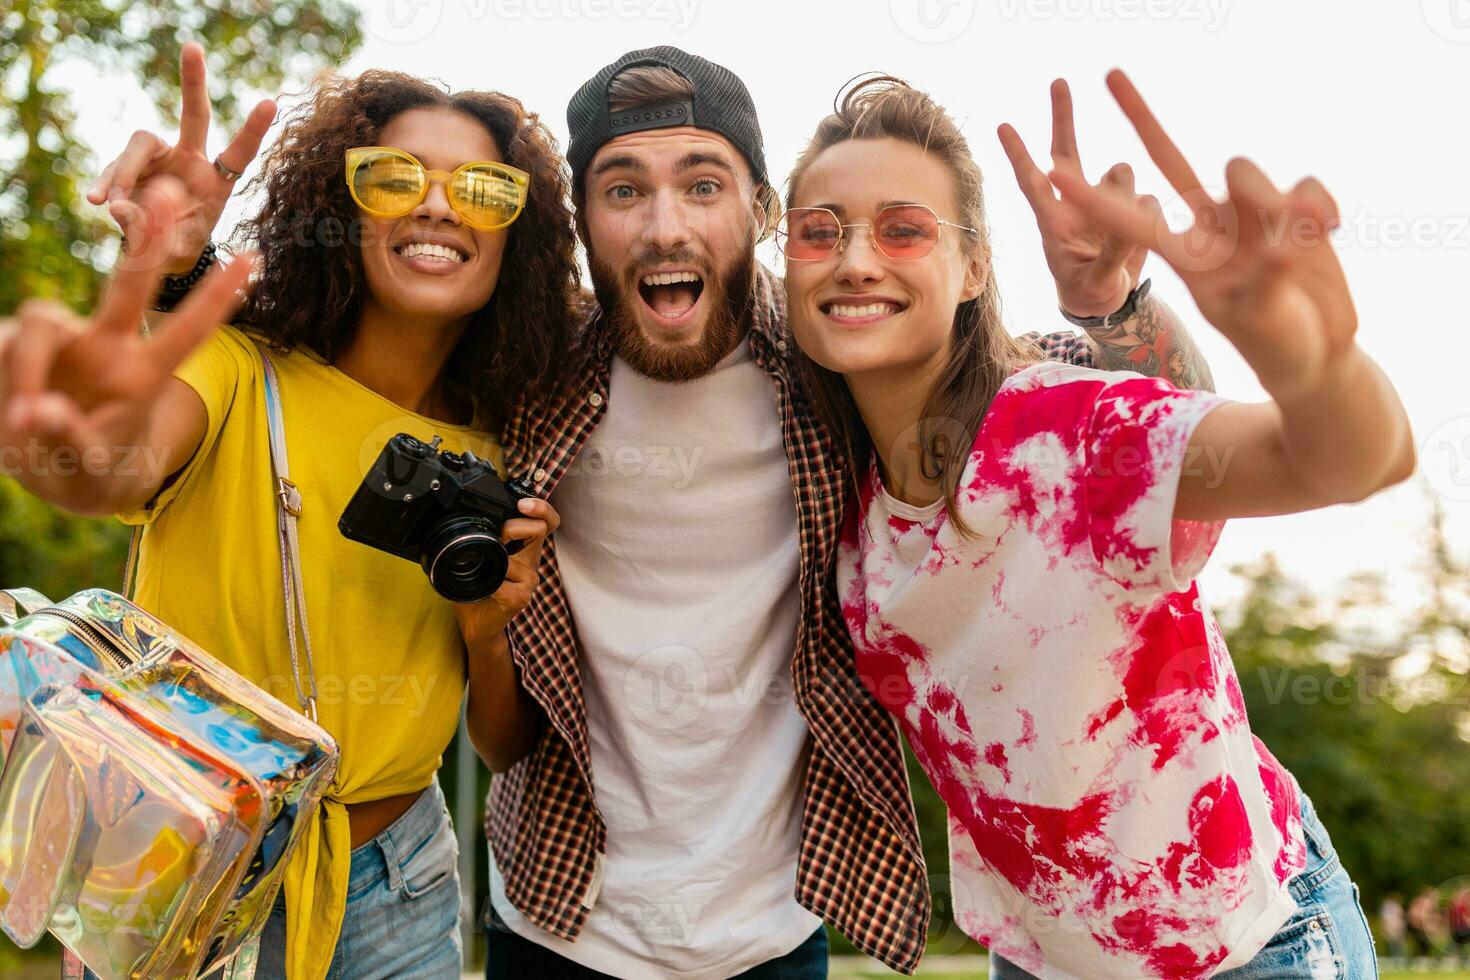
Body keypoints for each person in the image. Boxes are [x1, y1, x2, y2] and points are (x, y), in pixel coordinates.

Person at [479, 48, 1216, 978]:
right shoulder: (524, 377)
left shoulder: (844, 358)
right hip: (554, 910)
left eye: (703, 185)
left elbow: (1127, 413)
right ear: (583, 221)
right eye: (623, 191)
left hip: (774, 930)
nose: (665, 227)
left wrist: (1118, 305)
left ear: (760, 215)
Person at [782, 73, 1407, 978]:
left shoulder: (1065, 436)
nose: (855, 260)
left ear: (975, 268)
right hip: (1044, 958)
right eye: (819, 231)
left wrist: (1310, 360)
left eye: (903, 228)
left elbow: (1351, 460)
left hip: (1245, 944)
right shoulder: (843, 503)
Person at [0, 43, 575, 980]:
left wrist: (486, 632)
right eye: (393, 179)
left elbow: (501, 742)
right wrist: (61, 435)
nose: (437, 204)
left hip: (402, 882)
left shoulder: (504, 453)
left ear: (519, 234)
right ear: (341, 212)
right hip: (182, 865)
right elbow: (108, 467)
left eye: (482, 189)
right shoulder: (236, 371)